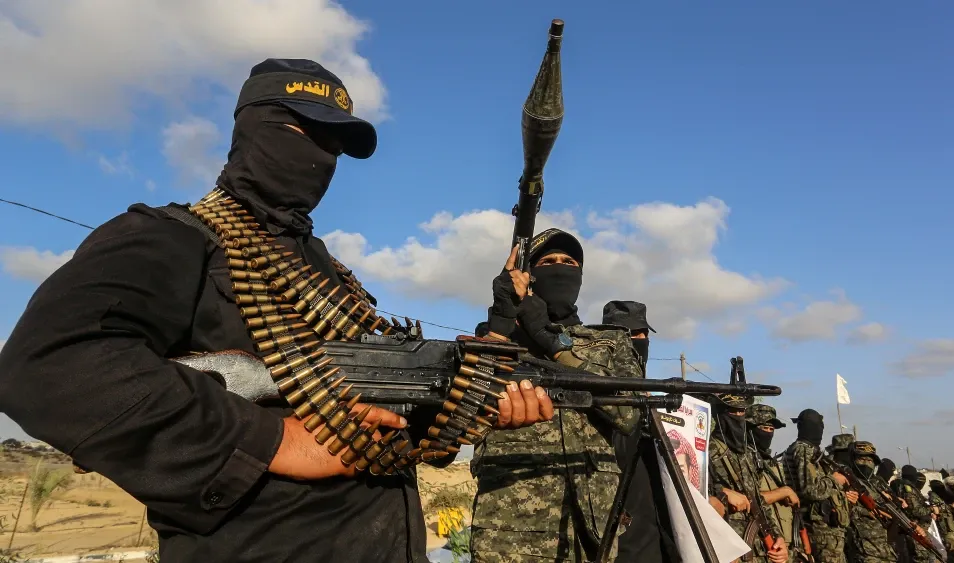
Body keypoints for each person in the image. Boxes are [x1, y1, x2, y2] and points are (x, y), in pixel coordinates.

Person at [0, 58, 549, 563]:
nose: (319, 155)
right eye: (299, 132)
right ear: (250, 129)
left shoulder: (329, 275)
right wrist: (276, 443)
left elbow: (374, 410)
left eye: (332, 145)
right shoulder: (173, 237)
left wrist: (466, 405)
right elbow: (47, 366)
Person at [470, 228, 645, 563]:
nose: (560, 267)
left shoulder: (608, 342)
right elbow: (468, 409)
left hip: (591, 526)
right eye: (548, 262)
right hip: (508, 526)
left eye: (569, 262)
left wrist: (549, 341)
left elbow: (628, 413)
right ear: (530, 276)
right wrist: (504, 323)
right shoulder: (496, 339)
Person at [601, 300, 679, 563]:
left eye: (641, 334)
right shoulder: (596, 401)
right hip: (622, 545)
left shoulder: (658, 403)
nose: (637, 340)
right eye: (627, 334)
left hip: (664, 542)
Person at [706, 394, 789, 563]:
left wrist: (778, 537)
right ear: (719, 414)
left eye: (741, 411)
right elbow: (694, 491)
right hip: (729, 549)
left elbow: (759, 500)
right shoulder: (707, 449)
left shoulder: (749, 454)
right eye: (732, 411)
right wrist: (722, 492)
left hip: (761, 548)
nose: (738, 416)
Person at [782, 409, 854, 563]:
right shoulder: (803, 449)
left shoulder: (810, 451)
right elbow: (811, 489)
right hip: (818, 529)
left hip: (825, 529)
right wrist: (834, 480)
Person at [745, 404, 804, 560]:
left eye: (772, 429)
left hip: (783, 546)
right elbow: (749, 499)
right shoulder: (744, 460)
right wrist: (783, 492)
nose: (769, 434)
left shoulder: (771, 463)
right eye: (764, 428)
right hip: (759, 546)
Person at [842, 441, 897, 563]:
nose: (866, 463)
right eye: (862, 459)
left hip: (885, 552)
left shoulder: (876, 485)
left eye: (870, 460)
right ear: (853, 460)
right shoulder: (845, 482)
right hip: (864, 553)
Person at [893, 465, 935, 563]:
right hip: (915, 527)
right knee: (921, 556)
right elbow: (916, 510)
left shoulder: (903, 486)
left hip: (914, 527)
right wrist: (931, 509)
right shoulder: (908, 489)